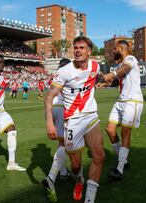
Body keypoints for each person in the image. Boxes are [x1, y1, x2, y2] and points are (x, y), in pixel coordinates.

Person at [44, 36, 105, 203]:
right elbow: (49, 97)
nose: (78, 51)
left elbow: (96, 76)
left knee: (99, 156)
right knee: (76, 165)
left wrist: (104, 80)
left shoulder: (95, 65)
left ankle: (89, 199)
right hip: (72, 121)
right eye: (76, 48)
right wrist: (49, 122)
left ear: (89, 51)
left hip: (91, 116)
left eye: (82, 48)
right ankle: (79, 180)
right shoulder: (64, 72)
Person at [97, 40, 144, 180]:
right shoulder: (120, 64)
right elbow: (119, 80)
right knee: (110, 130)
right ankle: (124, 161)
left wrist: (111, 74)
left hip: (132, 101)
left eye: (114, 49)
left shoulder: (130, 59)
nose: (112, 51)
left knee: (125, 131)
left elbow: (124, 70)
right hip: (121, 101)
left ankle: (120, 168)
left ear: (122, 49)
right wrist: (105, 83)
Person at [42, 58, 72, 202]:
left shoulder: (56, 74)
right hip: (62, 108)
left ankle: (64, 172)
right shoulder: (67, 73)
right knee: (65, 144)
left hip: (52, 109)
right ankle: (51, 178)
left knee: (61, 141)